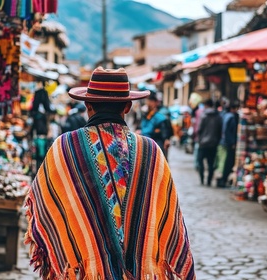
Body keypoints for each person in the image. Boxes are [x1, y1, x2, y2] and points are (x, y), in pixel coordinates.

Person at [24, 67, 194, 279]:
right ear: (128, 106)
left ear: (87, 105)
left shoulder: (65, 147)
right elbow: (168, 213)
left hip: (87, 272)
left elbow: (45, 202)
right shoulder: (150, 151)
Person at [138, 91, 173, 158]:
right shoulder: (146, 114)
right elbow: (141, 126)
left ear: (155, 102)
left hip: (156, 144)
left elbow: (164, 131)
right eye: (147, 101)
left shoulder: (161, 116)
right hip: (145, 143)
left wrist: (166, 139)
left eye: (150, 101)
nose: (148, 103)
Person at [197, 99, 223, 186]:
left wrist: (199, 139)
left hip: (203, 143)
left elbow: (199, 129)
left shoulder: (203, 115)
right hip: (213, 143)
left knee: (200, 162)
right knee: (211, 163)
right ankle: (208, 181)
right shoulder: (218, 116)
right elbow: (220, 131)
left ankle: (202, 179)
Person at [217, 101, 239, 188]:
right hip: (227, 143)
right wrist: (232, 142)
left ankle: (221, 179)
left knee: (222, 162)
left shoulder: (224, 115)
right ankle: (222, 180)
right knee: (225, 163)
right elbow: (228, 132)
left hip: (222, 142)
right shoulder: (231, 117)